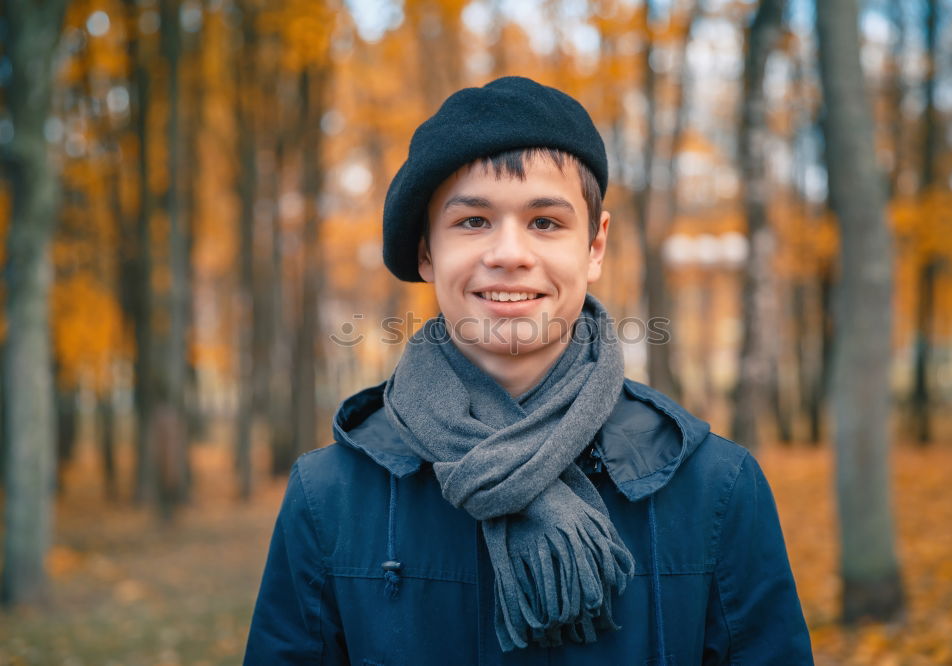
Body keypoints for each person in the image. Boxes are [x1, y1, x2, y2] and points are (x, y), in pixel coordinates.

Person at [243, 76, 813, 665]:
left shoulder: (714, 489)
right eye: (472, 222)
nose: (509, 254)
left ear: (594, 246)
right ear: (425, 251)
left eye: (545, 222)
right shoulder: (329, 495)